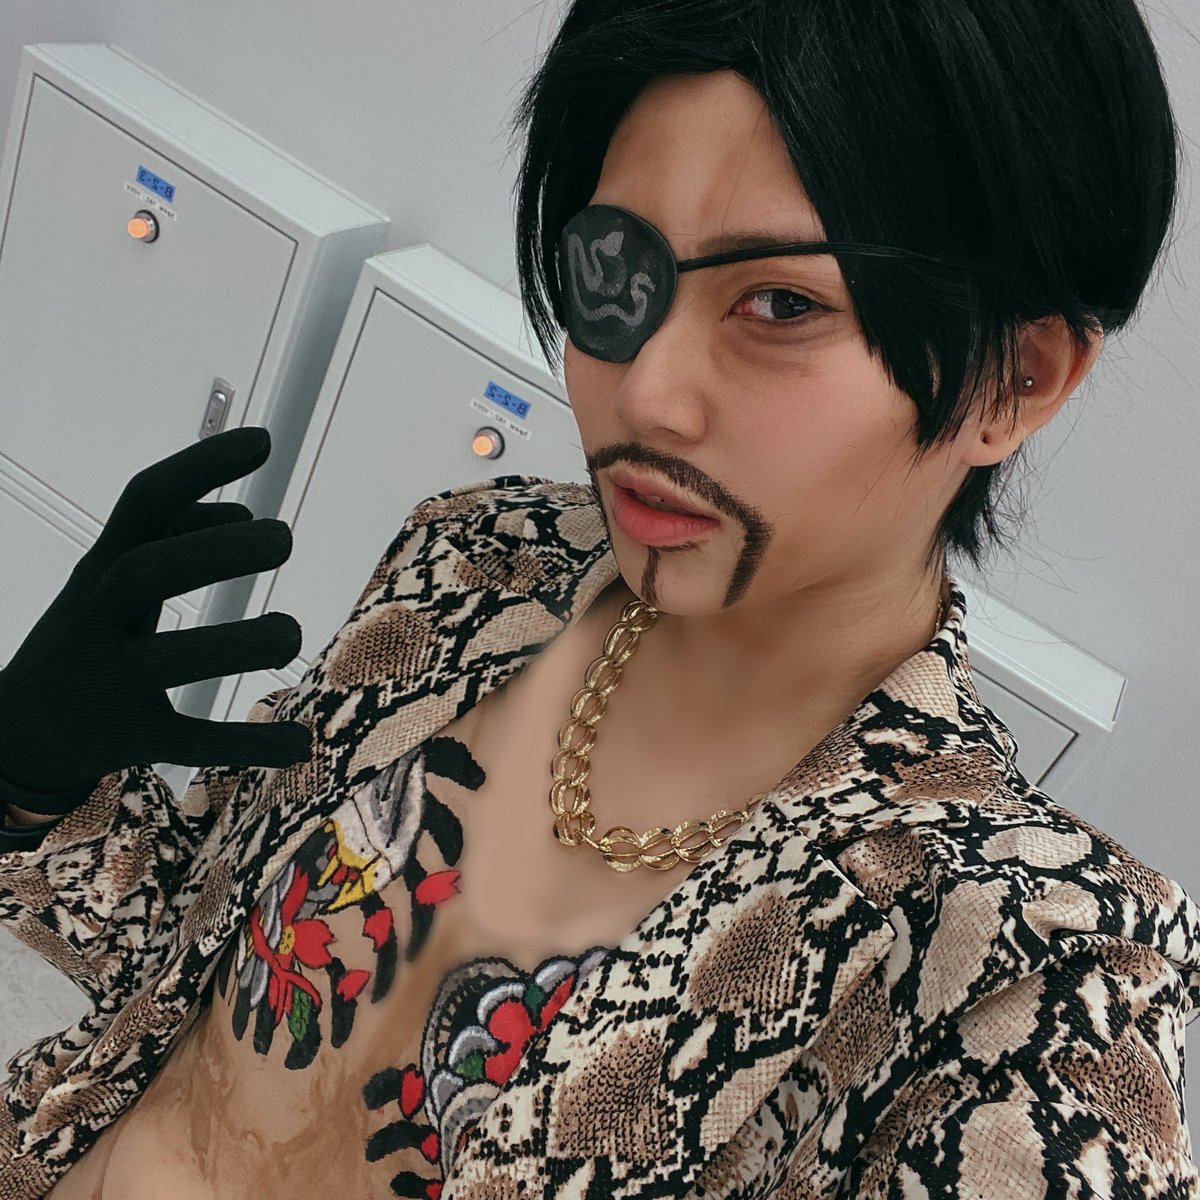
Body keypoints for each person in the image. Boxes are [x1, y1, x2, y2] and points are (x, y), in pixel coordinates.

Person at [1, 0, 1198, 1196]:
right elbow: (192, 990)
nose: (648, 392)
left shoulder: (1023, 957)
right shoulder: (481, 559)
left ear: (1016, 377)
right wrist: (37, 787)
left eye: (782, 305)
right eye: (619, 270)